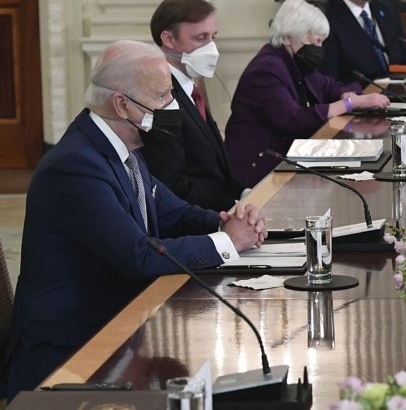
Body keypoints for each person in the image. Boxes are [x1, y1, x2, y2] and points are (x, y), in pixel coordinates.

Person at [3, 41, 267, 399]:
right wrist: (227, 243)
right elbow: (138, 256)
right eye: (161, 97)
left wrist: (226, 221)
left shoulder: (122, 147)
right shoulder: (76, 166)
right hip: (70, 351)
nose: (172, 106)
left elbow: (172, 212)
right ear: (121, 104)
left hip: (117, 327)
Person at [225, 0, 390, 185]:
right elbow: (293, 119)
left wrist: (344, 94)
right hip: (260, 167)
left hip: (289, 156)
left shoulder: (293, 61)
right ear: (288, 37)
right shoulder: (266, 70)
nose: (319, 49)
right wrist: (349, 103)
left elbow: (328, 86)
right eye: (316, 41)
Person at [140, 0, 247, 211]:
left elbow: (212, 164)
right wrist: (230, 206)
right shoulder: (160, 98)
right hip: (197, 223)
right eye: (201, 38)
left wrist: (244, 193)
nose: (211, 48)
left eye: (212, 37)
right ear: (169, 39)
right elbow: (173, 184)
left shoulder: (189, 87)